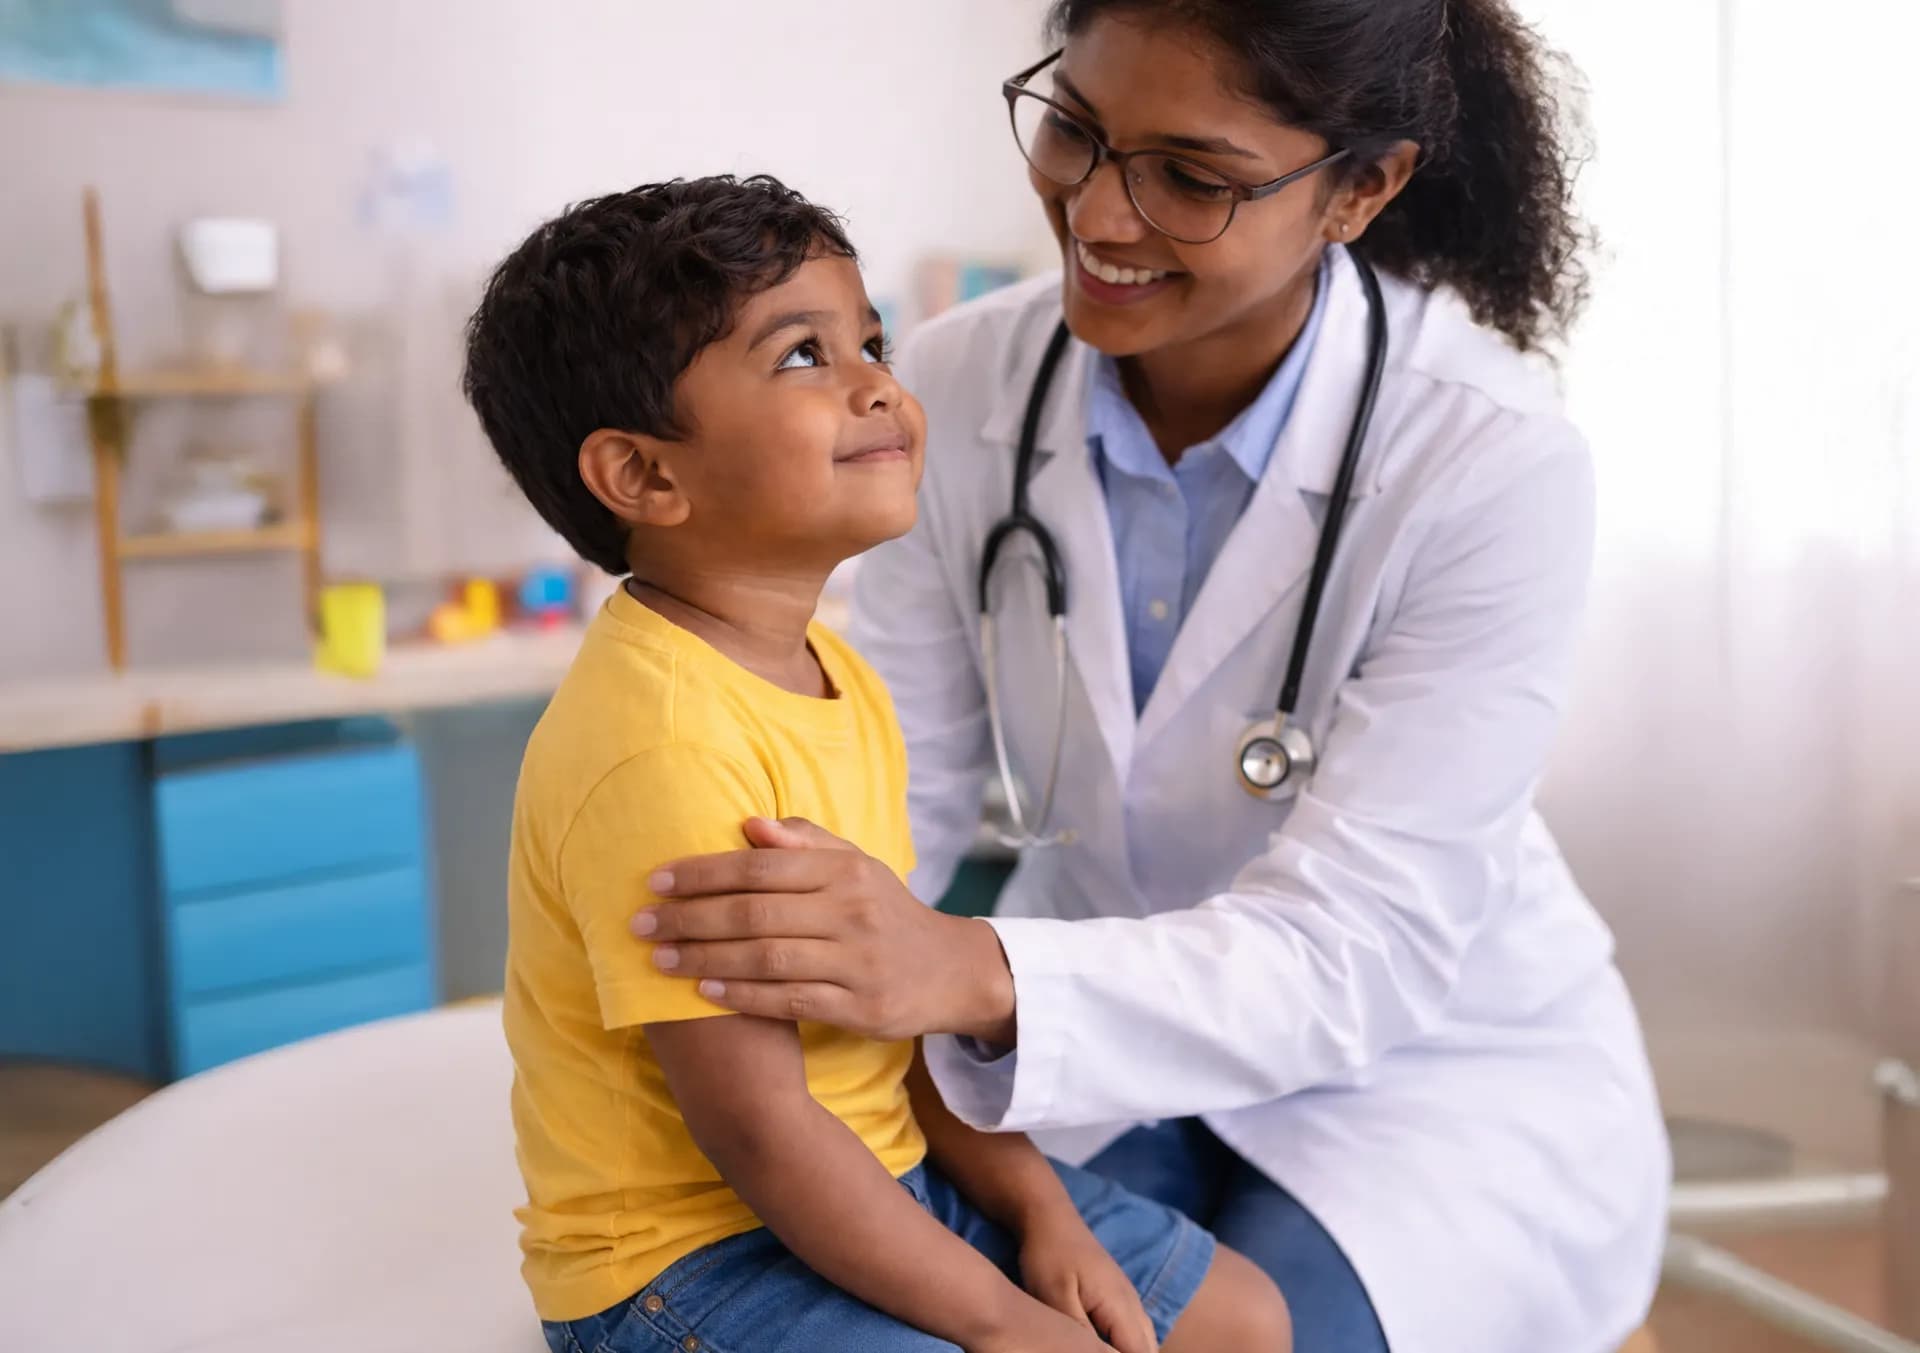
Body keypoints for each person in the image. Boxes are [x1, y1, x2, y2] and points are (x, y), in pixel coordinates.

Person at [627, 5, 1671, 1352]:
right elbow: (893, 784)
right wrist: (785, 955)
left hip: (1420, 1073)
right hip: (1078, 1034)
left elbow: (1359, 946)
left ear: (1362, 186)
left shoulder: (1489, 461)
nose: (1100, 215)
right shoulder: (953, 383)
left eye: (1191, 177)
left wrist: (965, 968)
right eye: (1075, 130)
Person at [462, 176, 1289, 1353]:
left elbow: (893, 1024)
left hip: (888, 1176)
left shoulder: (837, 681)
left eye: (871, 341)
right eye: (804, 355)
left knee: (1244, 1321)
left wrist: (1037, 1209)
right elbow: (759, 1133)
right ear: (644, 477)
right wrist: (1000, 1321)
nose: (880, 386)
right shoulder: (664, 745)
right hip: (697, 1262)